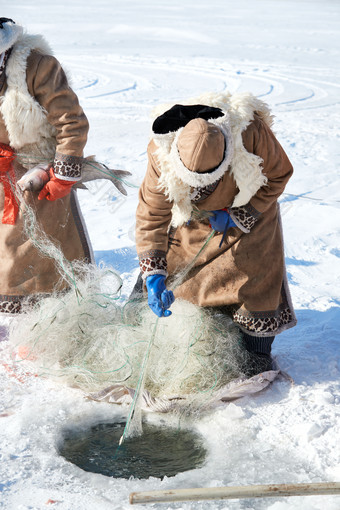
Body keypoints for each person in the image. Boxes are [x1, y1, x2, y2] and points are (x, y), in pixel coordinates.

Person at [134, 92, 297, 376]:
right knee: (178, 269)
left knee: (254, 277)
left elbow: (279, 175)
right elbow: (152, 216)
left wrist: (242, 212)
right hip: (190, 217)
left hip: (250, 209)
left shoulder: (251, 133)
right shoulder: (160, 154)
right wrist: (154, 274)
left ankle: (255, 344)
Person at [0, 17, 92, 314]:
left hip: (37, 174)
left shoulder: (37, 65)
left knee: (37, 258)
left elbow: (71, 122)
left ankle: (48, 327)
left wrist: (63, 173)